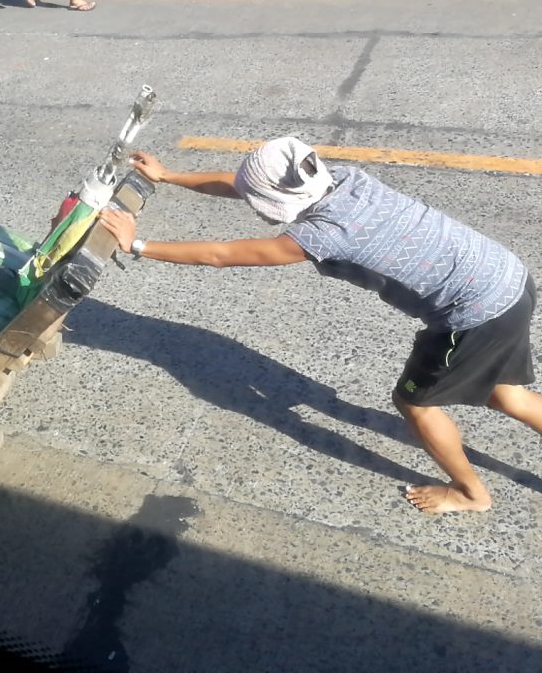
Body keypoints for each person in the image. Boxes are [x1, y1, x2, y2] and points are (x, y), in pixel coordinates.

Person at [97, 137, 542, 515]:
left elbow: (221, 255)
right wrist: (168, 175)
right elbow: (239, 185)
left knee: (414, 403)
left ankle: (470, 493)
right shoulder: (345, 179)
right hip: (508, 279)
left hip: (474, 315)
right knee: (506, 395)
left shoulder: (323, 234)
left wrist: (137, 244)